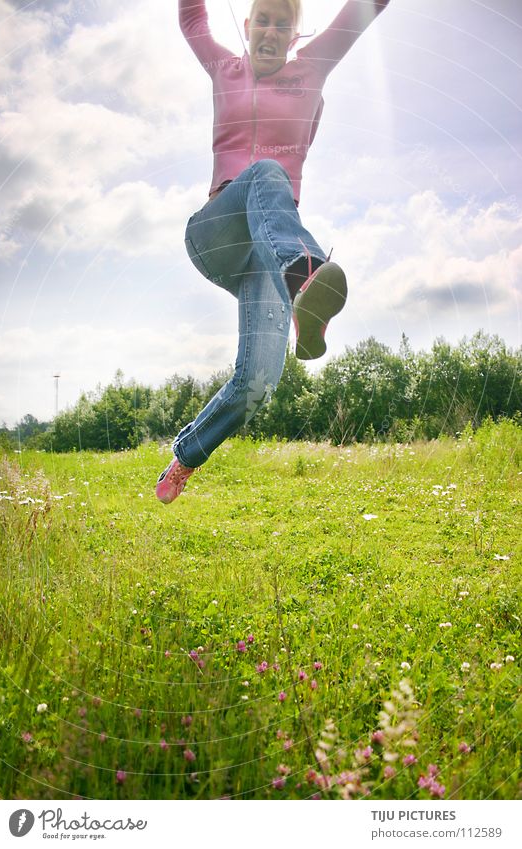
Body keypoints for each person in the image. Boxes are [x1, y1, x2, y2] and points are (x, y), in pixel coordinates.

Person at [157, 0, 392, 504]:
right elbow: (192, 19)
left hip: (267, 250)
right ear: (247, 27)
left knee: (258, 381)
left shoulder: (313, 68)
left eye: (282, 23)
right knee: (267, 172)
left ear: (294, 34)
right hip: (217, 233)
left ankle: (186, 455)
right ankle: (305, 275)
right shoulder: (226, 68)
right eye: (262, 19)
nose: (270, 30)